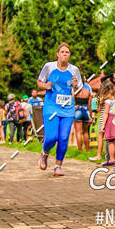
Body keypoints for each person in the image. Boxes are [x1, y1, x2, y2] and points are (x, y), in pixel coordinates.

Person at [37, 43, 83, 177]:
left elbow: (79, 86)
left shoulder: (74, 70)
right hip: (51, 106)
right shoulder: (49, 67)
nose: (64, 54)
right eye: (62, 51)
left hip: (67, 108)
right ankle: (44, 153)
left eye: (67, 52)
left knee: (63, 138)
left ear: (69, 55)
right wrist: (46, 86)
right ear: (57, 54)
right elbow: (39, 82)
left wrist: (75, 85)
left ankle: (58, 166)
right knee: (52, 137)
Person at [102, 81, 115, 166]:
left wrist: (103, 125)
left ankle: (111, 159)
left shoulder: (108, 101)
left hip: (111, 120)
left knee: (110, 140)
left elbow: (105, 113)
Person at [73, 79, 93, 153]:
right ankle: (87, 150)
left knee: (78, 132)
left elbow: (71, 98)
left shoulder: (75, 88)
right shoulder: (88, 88)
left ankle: (80, 150)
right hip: (86, 109)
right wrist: (91, 115)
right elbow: (89, 104)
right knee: (85, 131)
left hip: (77, 109)